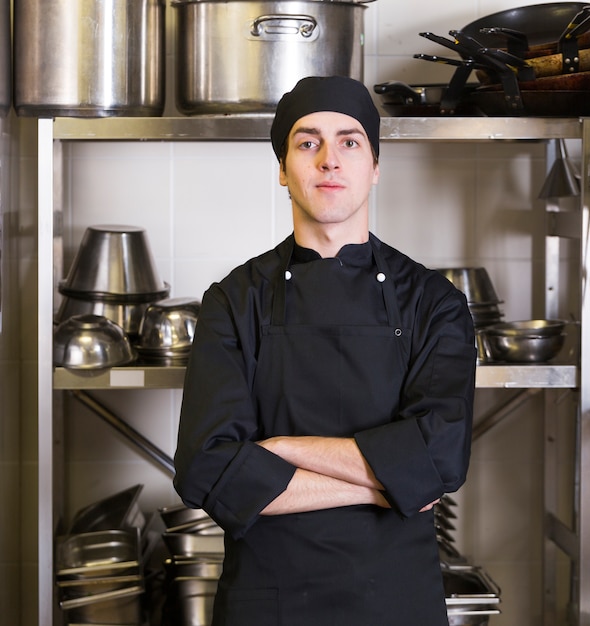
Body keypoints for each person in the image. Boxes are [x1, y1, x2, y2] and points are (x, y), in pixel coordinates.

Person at [173, 75, 477, 626]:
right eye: (308, 142)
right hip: (269, 602)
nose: (329, 160)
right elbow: (206, 469)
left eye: (350, 141)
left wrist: (281, 447)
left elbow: (439, 460)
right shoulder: (235, 301)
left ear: (375, 167)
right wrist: (387, 487)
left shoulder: (435, 304)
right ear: (283, 170)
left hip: (394, 600)